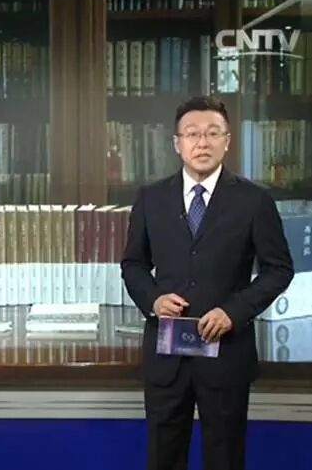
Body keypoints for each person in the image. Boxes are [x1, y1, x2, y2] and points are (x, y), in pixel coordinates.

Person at [120, 96, 294, 470]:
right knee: (163, 457)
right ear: (177, 143)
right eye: (192, 134)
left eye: (213, 133)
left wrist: (234, 312)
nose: (203, 142)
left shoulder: (254, 200)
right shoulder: (151, 198)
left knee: (225, 457)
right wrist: (153, 300)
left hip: (226, 352)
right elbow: (133, 265)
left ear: (227, 141)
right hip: (167, 354)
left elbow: (279, 269)